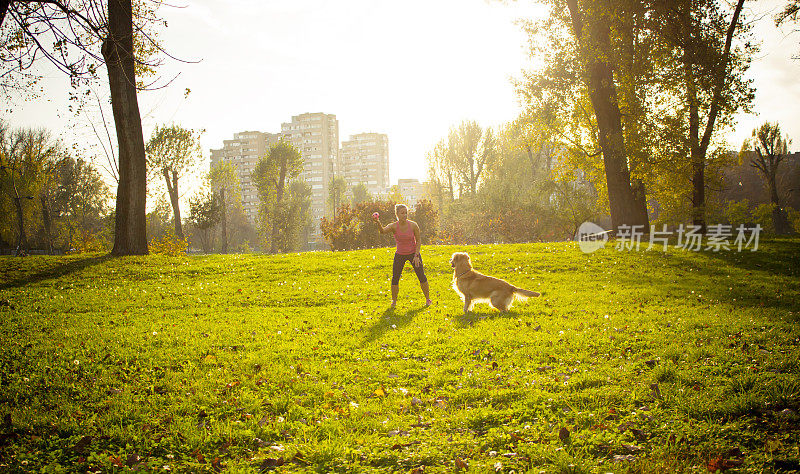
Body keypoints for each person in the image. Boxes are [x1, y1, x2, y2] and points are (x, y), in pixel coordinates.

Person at [373, 204, 431, 308]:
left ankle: (427, 299)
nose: (405, 215)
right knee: (395, 278)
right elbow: (382, 231)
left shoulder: (413, 225)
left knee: (421, 276)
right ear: (397, 214)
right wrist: (377, 222)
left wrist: (416, 255)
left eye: (406, 213)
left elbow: (418, 241)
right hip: (400, 254)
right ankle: (394, 302)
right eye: (402, 213)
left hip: (414, 253)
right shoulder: (394, 226)